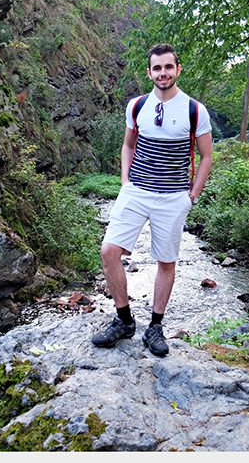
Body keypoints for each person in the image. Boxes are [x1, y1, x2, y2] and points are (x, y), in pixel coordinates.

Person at [92, 43, 213, 357]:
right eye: (157, 68)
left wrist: (192, 196)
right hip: (137, 191)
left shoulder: (194, 110)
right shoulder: (136, 106)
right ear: (149, 73)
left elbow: (206, 156)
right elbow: (128, 146)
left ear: (177, 70)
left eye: (168, 67)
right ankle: (123, 321)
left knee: (166, 261)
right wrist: (124, 182)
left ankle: (155, 327)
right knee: (109, 251)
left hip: (174, 197)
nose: (163, 73)